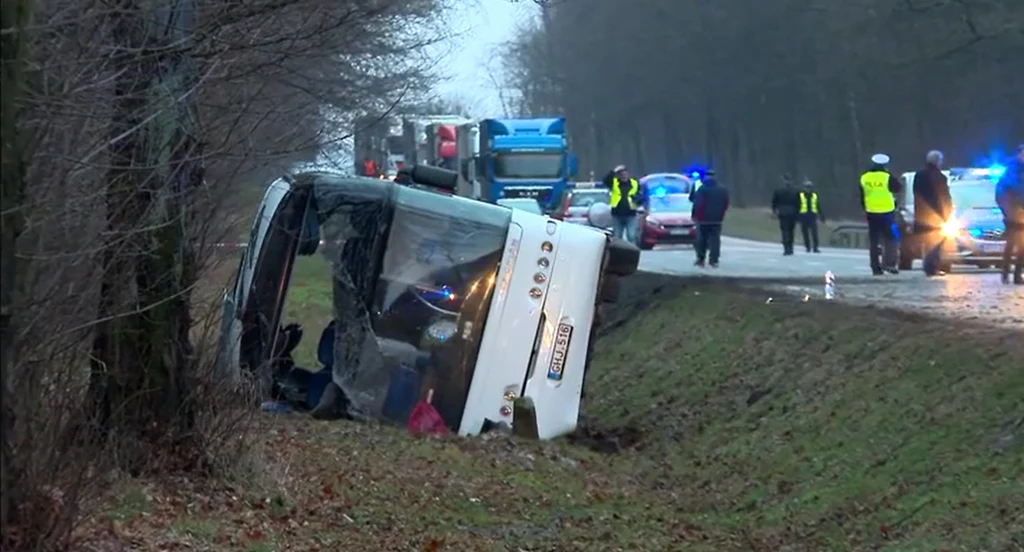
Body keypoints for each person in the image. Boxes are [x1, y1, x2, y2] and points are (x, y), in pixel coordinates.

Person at [860, 153, 902, 275]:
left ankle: (875, 267)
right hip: (887, 213)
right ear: (885, 165)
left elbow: (862, 196)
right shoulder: (887, 176)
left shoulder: (864, 177)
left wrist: (865, 208)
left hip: (871, 213)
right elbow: (898, 188)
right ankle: (889, 264)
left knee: (874, 241)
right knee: (894, 236)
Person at [912, 150, 952, 276]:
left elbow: (916, 194)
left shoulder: (918, 175)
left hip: (921, 215)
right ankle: (931, 267)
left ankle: (929, 266)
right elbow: (944, 198)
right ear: (938, 162)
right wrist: (947, 214)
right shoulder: (940, 177)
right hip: (936, 216)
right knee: (935, 243)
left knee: (927, 243)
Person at [996, 144, 1024, 285]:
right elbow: (1001, 194)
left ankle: (1018, 274)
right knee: (1011, 244)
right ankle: (1006, 273)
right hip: (1013, 215)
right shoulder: (1010, 173)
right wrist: (1008, 210)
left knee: (1022, 247)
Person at [690, 169, 730, 267]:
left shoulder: (702, 189)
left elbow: (697, 204)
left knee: (701, 240)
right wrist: (721, 214)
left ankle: (701, 259)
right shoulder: (723, 190)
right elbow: (726, 203)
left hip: (703, 219)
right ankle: (714, 260)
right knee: (715, 240)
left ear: (706, 177)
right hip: (717, 219)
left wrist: (694, 215)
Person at [602, 164, 644, 243]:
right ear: (618, 175)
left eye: (625, 174)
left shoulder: (634, 183)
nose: (623, 176)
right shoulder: (614, 183)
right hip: (617, 214)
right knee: (617, 237)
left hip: (630, 214)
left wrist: (637, 199)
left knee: (631, 236)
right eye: (621, 174)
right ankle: (619, 254)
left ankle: (632, 253)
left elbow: (640, 195)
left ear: (628, 174)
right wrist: (614, 171)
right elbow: (605, 180)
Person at [771, 174, 801, 255]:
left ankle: (786, 248)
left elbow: (774, 201)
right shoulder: (796, 190)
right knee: (791, 230)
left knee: (785, 230)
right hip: (793, 213)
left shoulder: (779, 190)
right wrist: (799, 213)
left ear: (784, 180)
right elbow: (799, 203)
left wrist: (774, 211)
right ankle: (790, 248)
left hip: (783, 212)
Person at [798, 179, 825, 253]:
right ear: (804, 187)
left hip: (812, 217)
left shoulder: (814, 195)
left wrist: (821, 215)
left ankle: (815, 248)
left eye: (809, 187)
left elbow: (818, 206)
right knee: (805, 233)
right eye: (806, 187)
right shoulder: (800, 195)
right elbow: (797, 206)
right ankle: (808, 247)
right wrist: (797, 217)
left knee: (814, 233)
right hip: (803, 217)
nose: (808, 189)